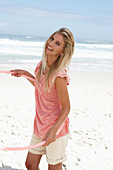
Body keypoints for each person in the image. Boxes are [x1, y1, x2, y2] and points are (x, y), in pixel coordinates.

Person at [11, 28, 75, 170]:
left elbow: (66, 107)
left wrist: (53, 130)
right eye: (52, 38)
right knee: (30, 164)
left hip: (55, 128)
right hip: (40, 124)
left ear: (62, 51)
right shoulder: (42, 65)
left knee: (53, 166)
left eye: (58, 43)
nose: (51, 43)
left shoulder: (59, 75)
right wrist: (26, 75)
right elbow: (41, 86)